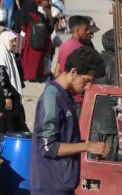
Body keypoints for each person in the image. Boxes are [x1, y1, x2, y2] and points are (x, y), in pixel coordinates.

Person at [31, 46, 109, 195]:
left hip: (62, 185)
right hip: (50, 188)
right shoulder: (52, 98)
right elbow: (48, 147)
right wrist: (87, 146)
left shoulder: (65, 95)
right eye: (86, 81)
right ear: (73, 72)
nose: (87, 88)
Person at [0, 30, 29, 133]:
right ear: (5, 41)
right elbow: (2, 77)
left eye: (15, 41)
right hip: (2, 99)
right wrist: (7, 96)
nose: (14, 44)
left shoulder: (8, 55)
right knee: (4, 123)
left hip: (6, 97)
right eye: (12, 41)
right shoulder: (1, 56)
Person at [89, 30, 119, 162]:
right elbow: (115, 94)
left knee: (92, 161)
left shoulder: (94, 59)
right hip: (109, 123)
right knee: (108, 162)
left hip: (92, 118)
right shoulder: (114, 63)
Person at [20, 0, 54, 83]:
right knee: (39, 58)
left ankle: (28, 76)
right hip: (41, 39)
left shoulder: (27, 15)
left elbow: (23, 28)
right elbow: (47, 27)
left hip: (29, 40)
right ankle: (38, 76)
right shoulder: (41, 15)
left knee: (27, 58)